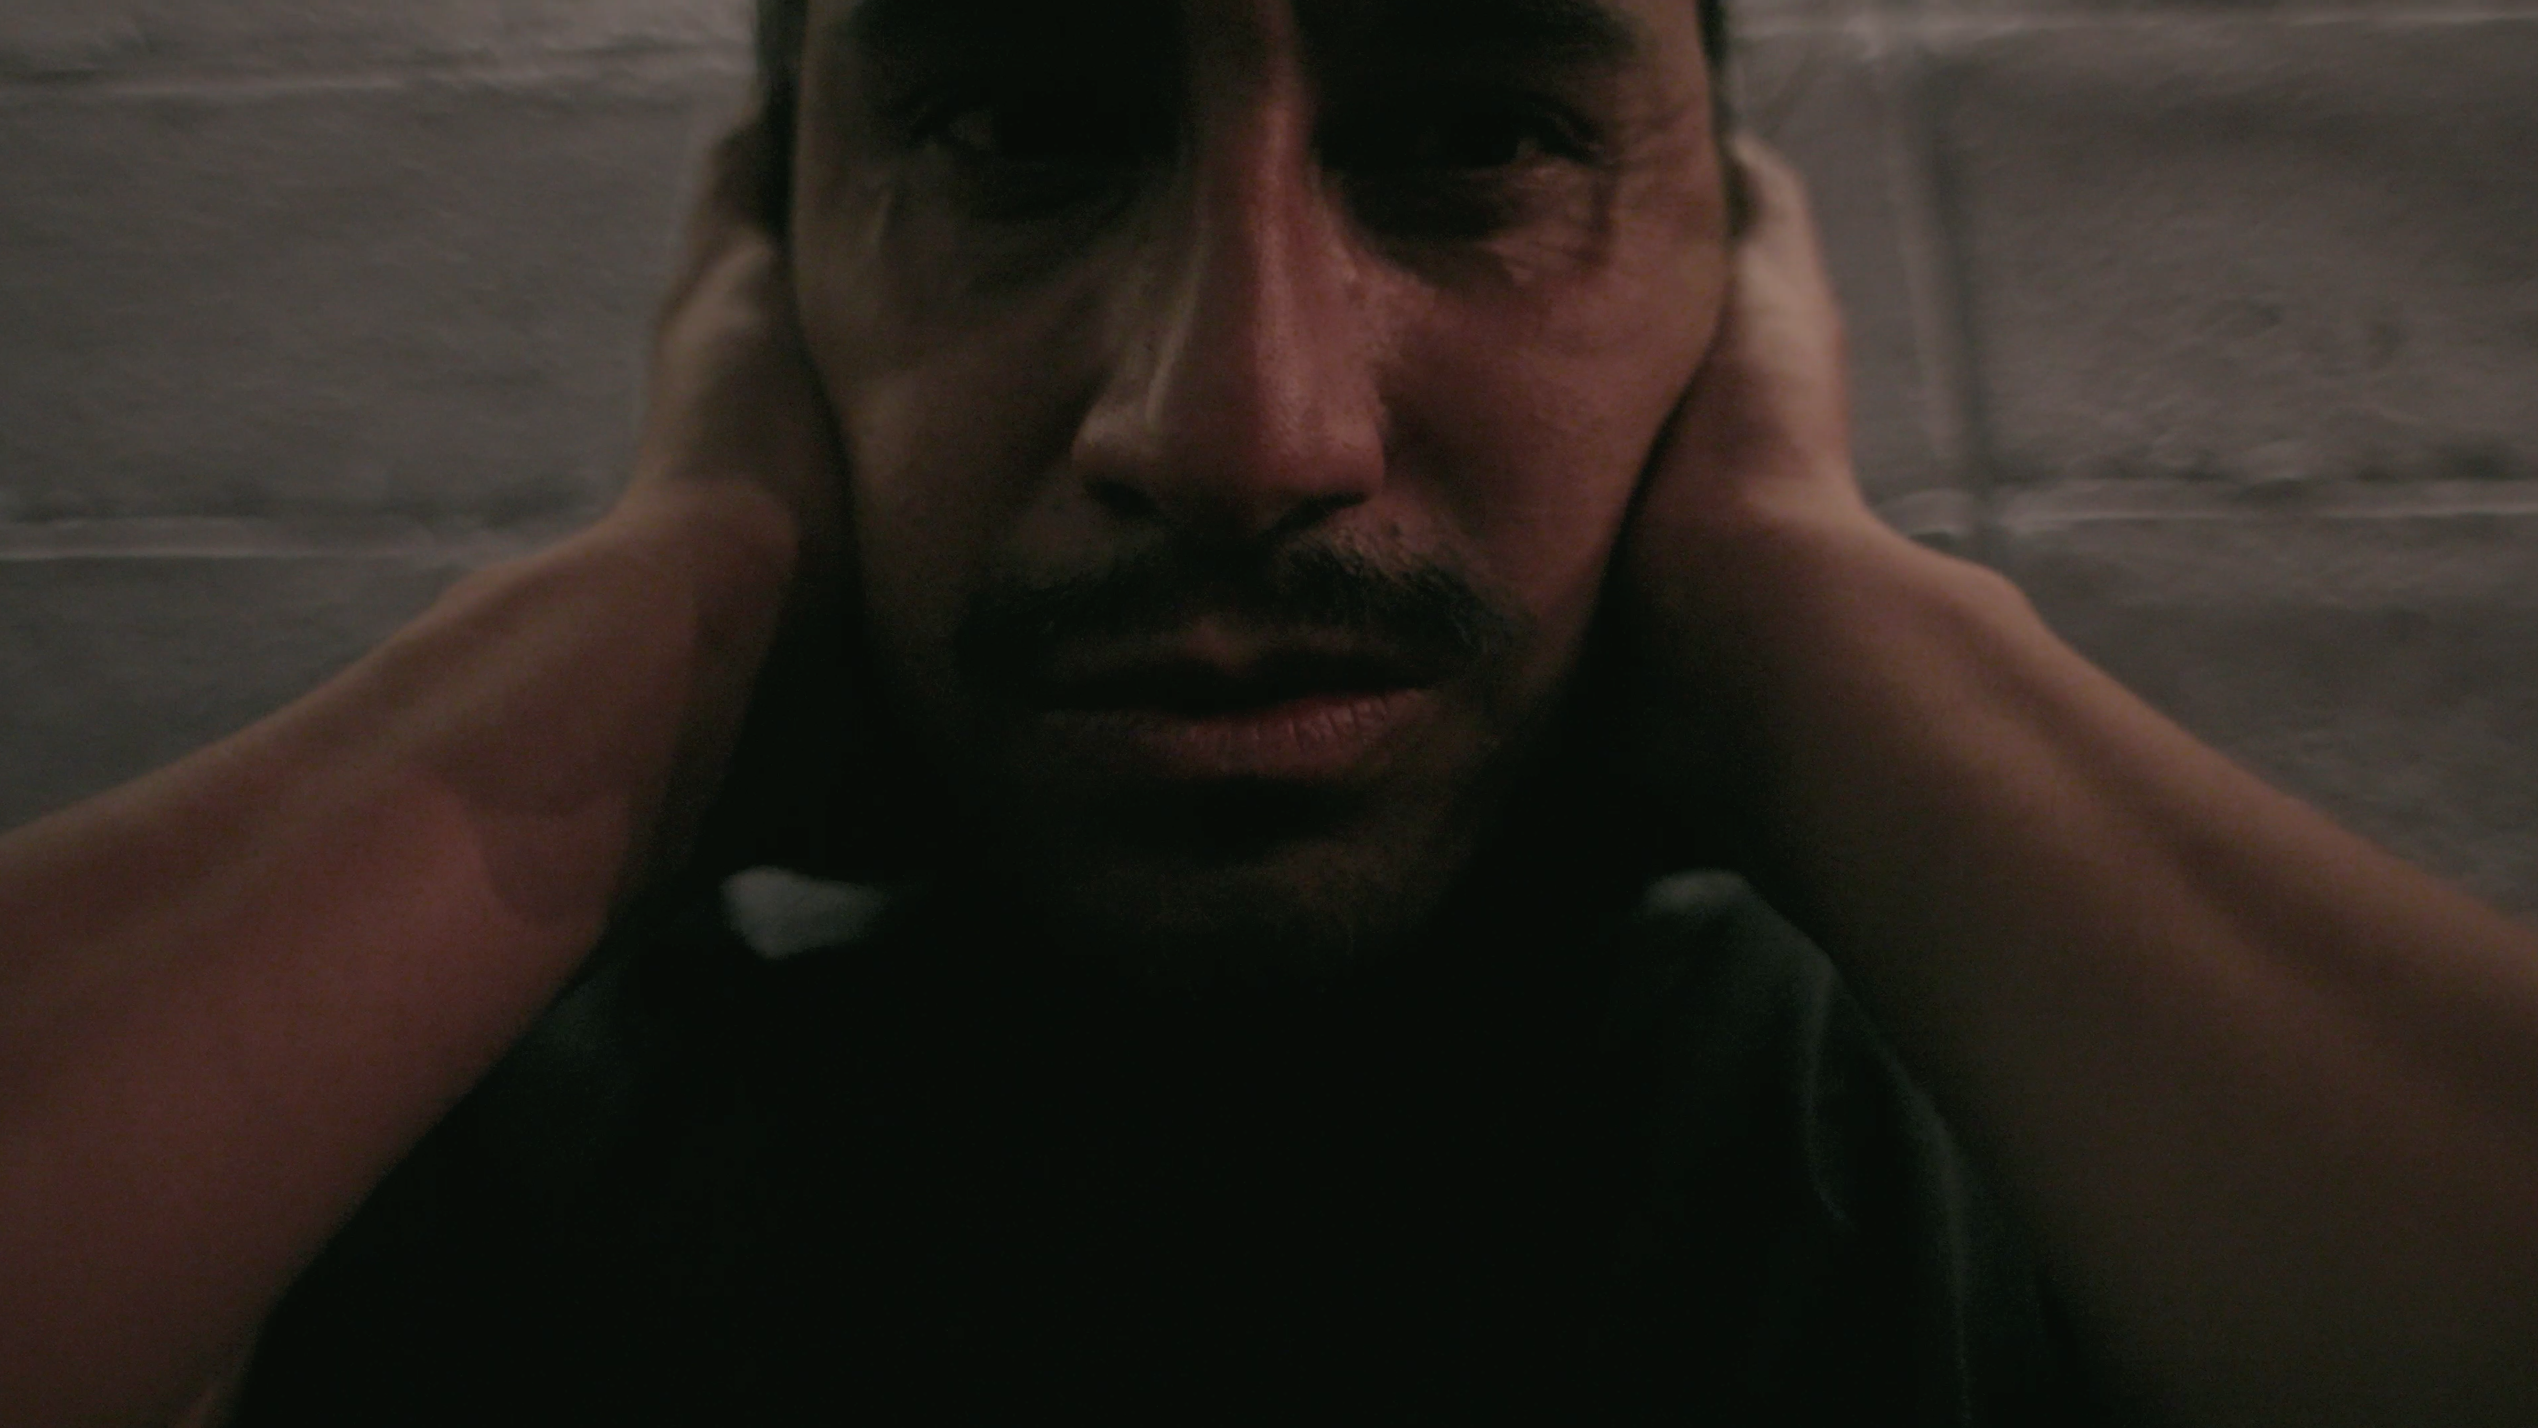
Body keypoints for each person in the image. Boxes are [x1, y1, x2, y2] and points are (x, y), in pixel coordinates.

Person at [2, 0, 2533, 1422]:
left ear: (1735, 290)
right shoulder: (414, 1182)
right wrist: (657, 617)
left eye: (1485, 137)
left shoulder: (2072, 1170)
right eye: (1020, 129)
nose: (1243, 431)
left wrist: (1828, 621)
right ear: (770, 289)